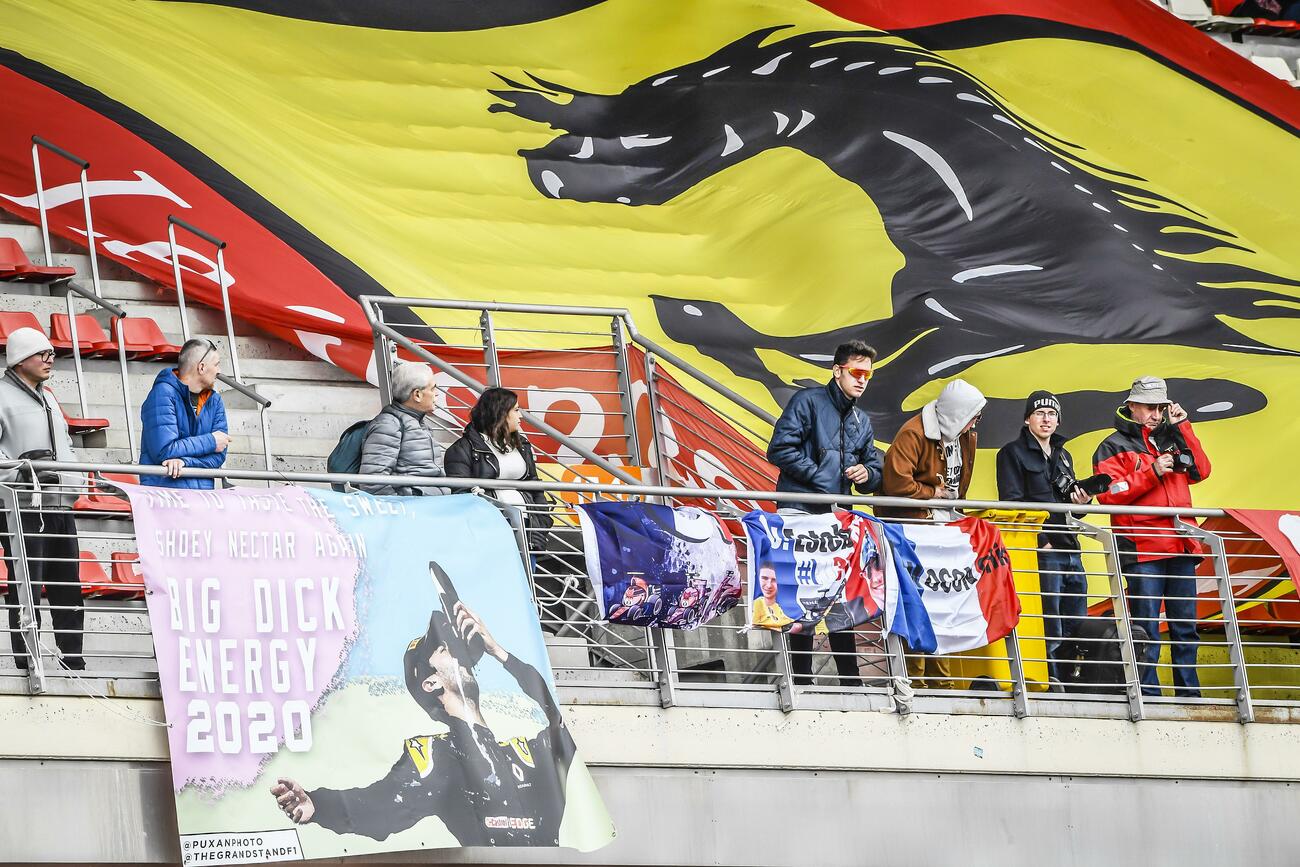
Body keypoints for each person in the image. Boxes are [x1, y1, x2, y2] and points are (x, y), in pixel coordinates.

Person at [269, 567, 577, 846]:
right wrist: (318, 805)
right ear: (430, 683)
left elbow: (559, 723)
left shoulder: (526, 753)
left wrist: (499, 652)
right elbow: (377, 805)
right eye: (444, 649)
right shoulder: (436, 757)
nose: (457, 655)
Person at [766, 339, 882, 686]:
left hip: (838, 518)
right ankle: (801, 678)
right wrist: (823, 480)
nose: (863, 380)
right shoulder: (807, 401)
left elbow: (874, 467)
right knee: (805, 595)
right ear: (837, 371)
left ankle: (850, 680)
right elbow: (779, 449)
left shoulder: (862, 419)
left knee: (840, 596)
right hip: (799, 511)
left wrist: (867, 474)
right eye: (857, 372)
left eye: (868, 374)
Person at [1093, 376, 1210, 697]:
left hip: (1182, 545)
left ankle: (1190, 696)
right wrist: (1152, 471)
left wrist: (1184, 427)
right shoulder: (1111, 445)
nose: (1156, 414)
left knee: (1185, 629)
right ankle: (1149, 696)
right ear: (1131, 405)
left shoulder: (1173, 437)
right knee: (1147, 629)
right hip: (1143, 549)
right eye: (1149, 407)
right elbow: (1109, 495)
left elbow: (1201, 470)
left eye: (1160, 407)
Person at [877, 378, 986, 689]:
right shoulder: (913, 433)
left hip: (943, 530)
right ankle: (916, 678)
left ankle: (942, 680)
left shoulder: (965, 436)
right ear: (957, 413)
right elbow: (896, 484)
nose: (976, 423)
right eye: (973, 416)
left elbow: (957, 485)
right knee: (919, 603)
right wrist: (931, 493)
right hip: (915, 531)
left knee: (945, 602)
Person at [0, 327, 85, 670]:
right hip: (22, 507)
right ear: (21, 359)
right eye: (42, 354)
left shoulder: (48, 396)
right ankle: (27, 660)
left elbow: (66, 444)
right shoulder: (1, 396)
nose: (51, 360)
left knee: (68, 585)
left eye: (52, 353)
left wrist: (74, 478)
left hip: (59, 504)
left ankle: (74, 660)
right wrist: (21, 472)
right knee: (27, 584)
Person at [995, 390, 1091, 683]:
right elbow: (1012, 504)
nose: (1046, 419)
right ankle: (1049, 681)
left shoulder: (1064, 455)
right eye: (1040, 413)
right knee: (1049, 621)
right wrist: (1041, 541)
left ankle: (1071, 681)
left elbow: (1074, 509)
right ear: (1027, 419)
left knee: (1076, 621)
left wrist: (1082, 503)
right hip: (1044, 550)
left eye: (1052, 414)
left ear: (1058, 421)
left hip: (1070, 547)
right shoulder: (1011, 453)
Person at [444, 387, 551, 529]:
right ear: (501, 413)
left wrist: (543, 520)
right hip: (488, 527)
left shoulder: (523, 445)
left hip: (530, 525)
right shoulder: (461, 450)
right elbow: (460, 496)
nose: (521, 416)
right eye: (516, 410)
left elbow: (534, 484)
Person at [139, 338, 230, 488]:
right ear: (201, 367)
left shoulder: (215, 401)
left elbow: (218, 456)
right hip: (165, 497)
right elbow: (165, 450)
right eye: (216, 364)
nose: (219, 371)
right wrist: (211, 441)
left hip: (202, 498)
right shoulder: (162, 394)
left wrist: (185, 462)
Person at [358, 362, 448, 496]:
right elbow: (373, 481)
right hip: (414, 511)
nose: (436, 394)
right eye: (432, 389)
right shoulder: (389, 425)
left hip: (431, 507)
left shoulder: (419, 423)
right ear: (417, 394)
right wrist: (402, 508)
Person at [751, 561, 792, 629]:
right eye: (764, 578)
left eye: (774, 580)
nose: (769, 585)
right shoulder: (756, 603)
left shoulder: (784, 606)